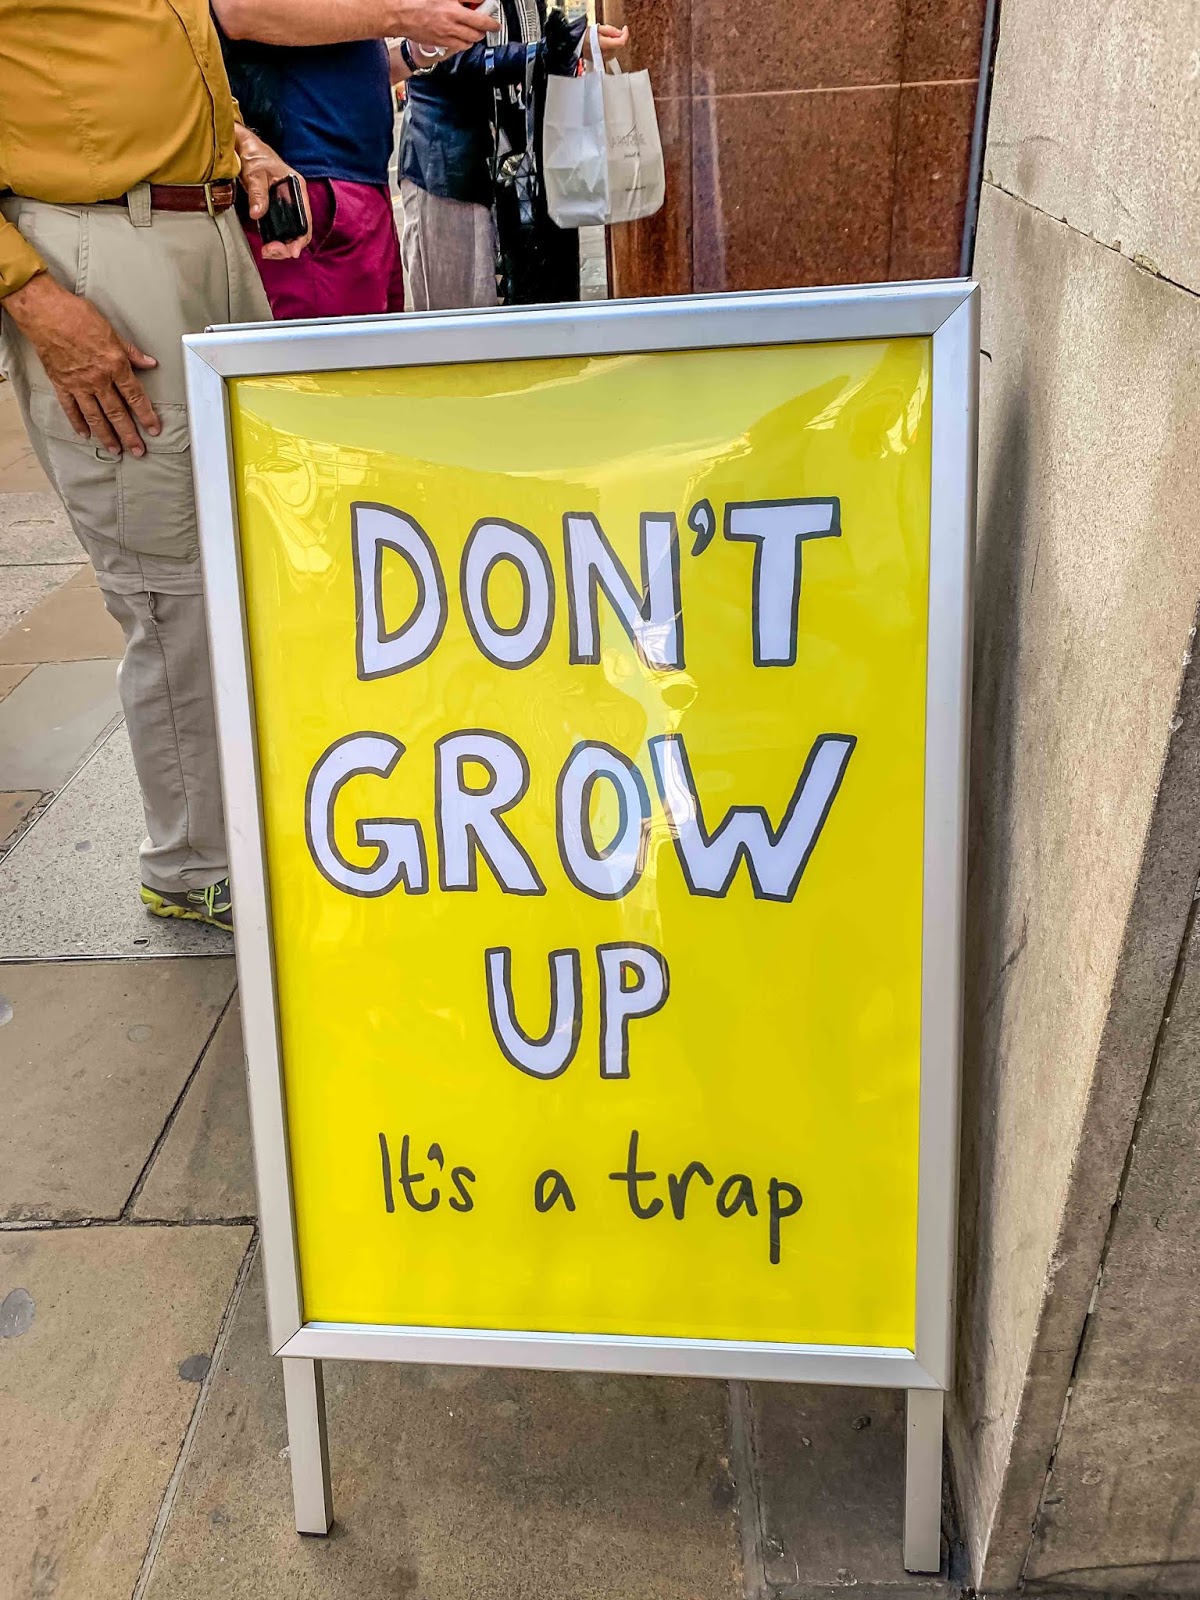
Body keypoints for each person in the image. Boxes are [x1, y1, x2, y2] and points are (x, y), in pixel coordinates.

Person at [0, 0, 318, 932]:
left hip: (201, 235)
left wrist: (239, 144)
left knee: (250, 551)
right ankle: (193, 865)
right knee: (172, 583)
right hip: (95, 251)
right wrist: (32, 296)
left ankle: (243, 828)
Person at [213, 0, 500, 320]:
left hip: (353, 185)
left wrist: (413, 53)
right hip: (311, 192)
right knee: (333, 349)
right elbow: (239, 9)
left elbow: (340, 62)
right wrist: (404, 15)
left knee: (368, 347)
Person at [399, 3, 627, 311]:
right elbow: (450, 58)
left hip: (522, 162)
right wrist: (552, 49)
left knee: (539, 306)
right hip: (451, 163)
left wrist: (565, 46)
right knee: (462, 317)